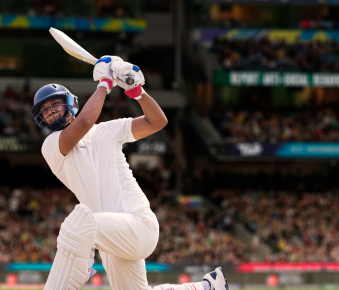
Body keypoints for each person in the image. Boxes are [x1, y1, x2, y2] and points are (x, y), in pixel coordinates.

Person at [31, 56, 229, 290]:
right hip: (110, 237)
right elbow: (84, 121)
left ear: (70, 103)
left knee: (78, 222)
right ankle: (209, 287)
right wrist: (105, 83)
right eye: (45, 110)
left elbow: (157, 122)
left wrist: (138, 93)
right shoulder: (51, 145)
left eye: (55, 104)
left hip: (137, 223)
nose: (51, 112)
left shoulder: (107, 131)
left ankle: (81, 263)